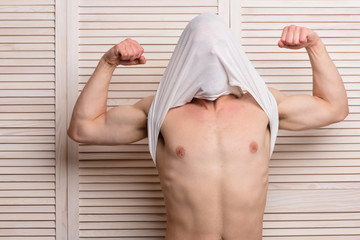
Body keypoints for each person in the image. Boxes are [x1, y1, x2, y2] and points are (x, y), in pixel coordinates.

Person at [68, 13, 348, 240]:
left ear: (233, 57)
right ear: (184, 58)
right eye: (200, 52)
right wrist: (108, 63)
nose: (210, 59)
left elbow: (334, 108)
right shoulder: (162, 111)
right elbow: (83, 129)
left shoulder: (263, 104)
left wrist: (314, 45)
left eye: (218, 52)